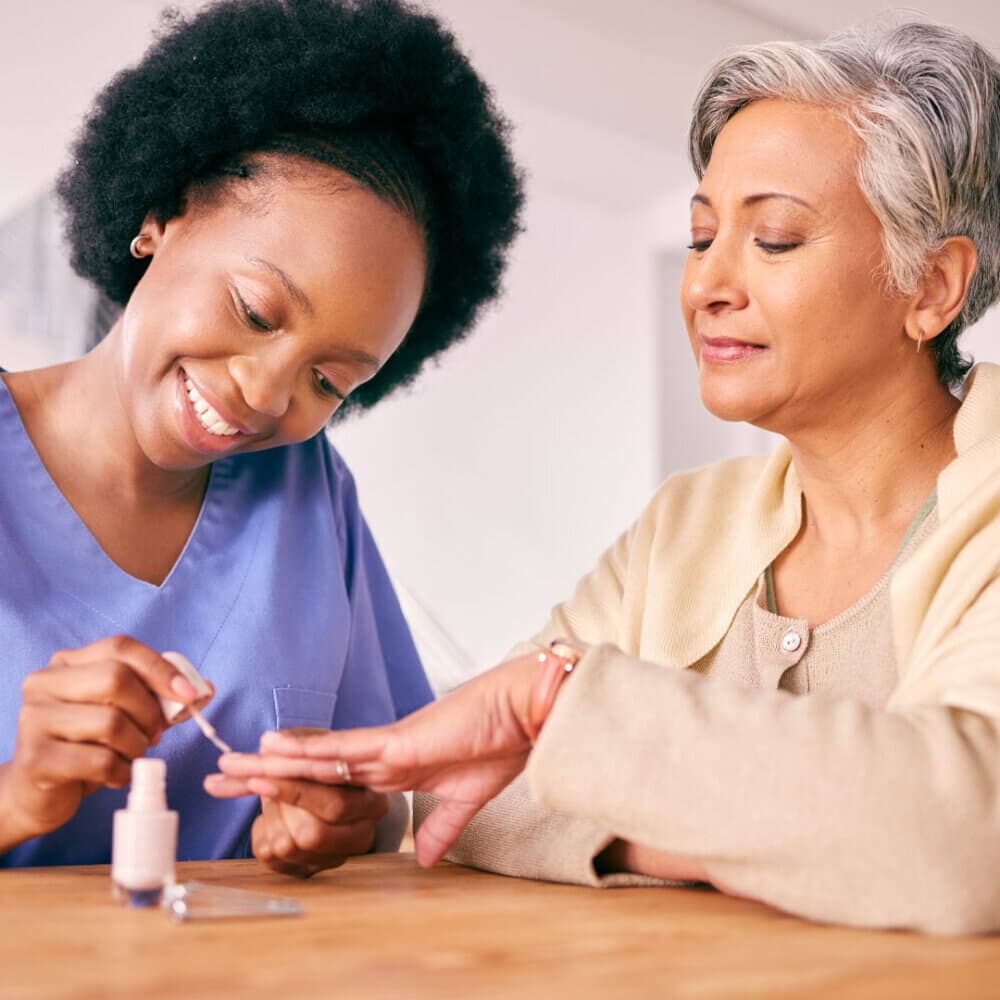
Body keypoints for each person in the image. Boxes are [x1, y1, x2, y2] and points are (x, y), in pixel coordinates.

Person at [217, 19, 1000, 932]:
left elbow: (962, 843)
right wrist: (761, 845)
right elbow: (469, 800)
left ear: (934, 288)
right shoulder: (686, 526)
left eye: (777, 239)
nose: (709, 281)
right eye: (704, 235)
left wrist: (562, 712)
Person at [0, 0, 522, 876]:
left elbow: (387, 785)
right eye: (254, 311)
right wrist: (16, 794)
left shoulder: (309, 494)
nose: (263, 392)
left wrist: (343, 821)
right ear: (161, 215)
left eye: (330, 380)